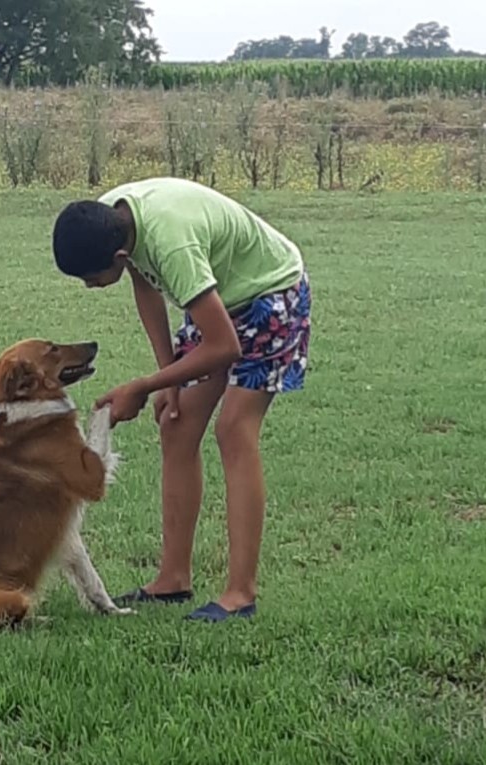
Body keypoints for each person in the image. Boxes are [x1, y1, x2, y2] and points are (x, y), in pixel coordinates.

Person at [52, 178, 311, 623]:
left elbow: (224, 347)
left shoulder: (171, 244)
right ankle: (173, 579)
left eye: (92, 279)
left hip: (271, 295)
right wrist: (167, 374)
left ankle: (240, 594)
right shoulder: (110, 218)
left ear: (114, 256)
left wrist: (145, 385)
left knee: (234, 430)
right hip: (219, 301)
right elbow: (145, 286)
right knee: (176, 424)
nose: (89, 286)